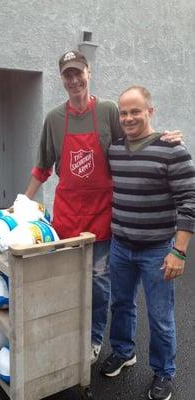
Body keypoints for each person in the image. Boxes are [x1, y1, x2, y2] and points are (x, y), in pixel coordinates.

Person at [24, 50, 182, 364]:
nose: (73, 80)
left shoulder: (109, 110)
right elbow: (42, 167)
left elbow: (137, 135)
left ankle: (94, 340)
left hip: (102, 220)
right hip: (66, 221)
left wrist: (164, 137)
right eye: (67, 75)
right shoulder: (54, 119)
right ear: (62, 79)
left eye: (78, 73)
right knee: (65, 284)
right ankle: (68, 336)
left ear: (89, 73)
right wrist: (22, 205)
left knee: (98, 288)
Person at [101, 86, 195, 400]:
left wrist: (178, 250)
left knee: (160, 315)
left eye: (135, 111)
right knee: (121, 305)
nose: (128, 118)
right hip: (121, 245)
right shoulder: (114, 149)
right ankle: (124, 352)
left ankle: (164, 373)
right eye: (123, 113)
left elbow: (190, 201)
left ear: (150, 112)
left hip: (157, 249)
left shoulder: (172, 150)